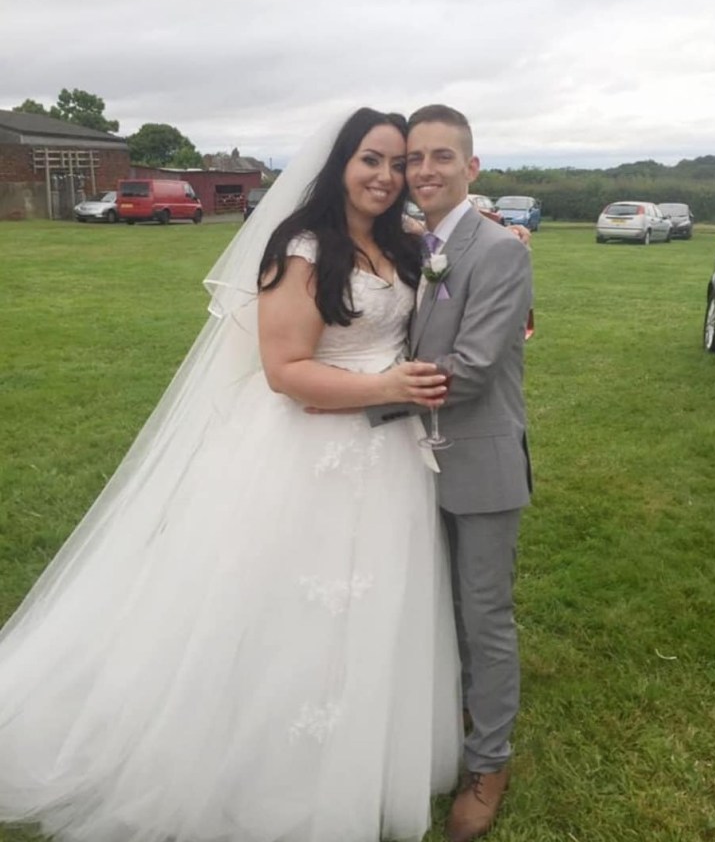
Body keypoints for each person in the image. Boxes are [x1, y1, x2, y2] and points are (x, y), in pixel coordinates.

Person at [0, 108, 462, 842]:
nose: (386, 176)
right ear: (339, 165)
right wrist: (387, 389)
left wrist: (504, 236)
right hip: (305, 455)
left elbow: (459, 254)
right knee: (284, 606)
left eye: (398, 163)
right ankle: (256, 758)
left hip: (389, 460)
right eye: (370, 160)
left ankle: (362, 749)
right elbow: (284, 372)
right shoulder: (305, 249)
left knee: (373, 601)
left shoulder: (404, 244)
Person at [369, 105, 533, 842]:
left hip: (481, 460)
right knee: (430, 605)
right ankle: (447, 715)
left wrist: (359, 405)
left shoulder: (500, 249)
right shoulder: (411, 243)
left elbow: (468, 369)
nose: (424, 171)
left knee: (483, 614)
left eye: (442, 157)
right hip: (410, 463)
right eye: (413, 160)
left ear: (472, 166)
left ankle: (489, 759)